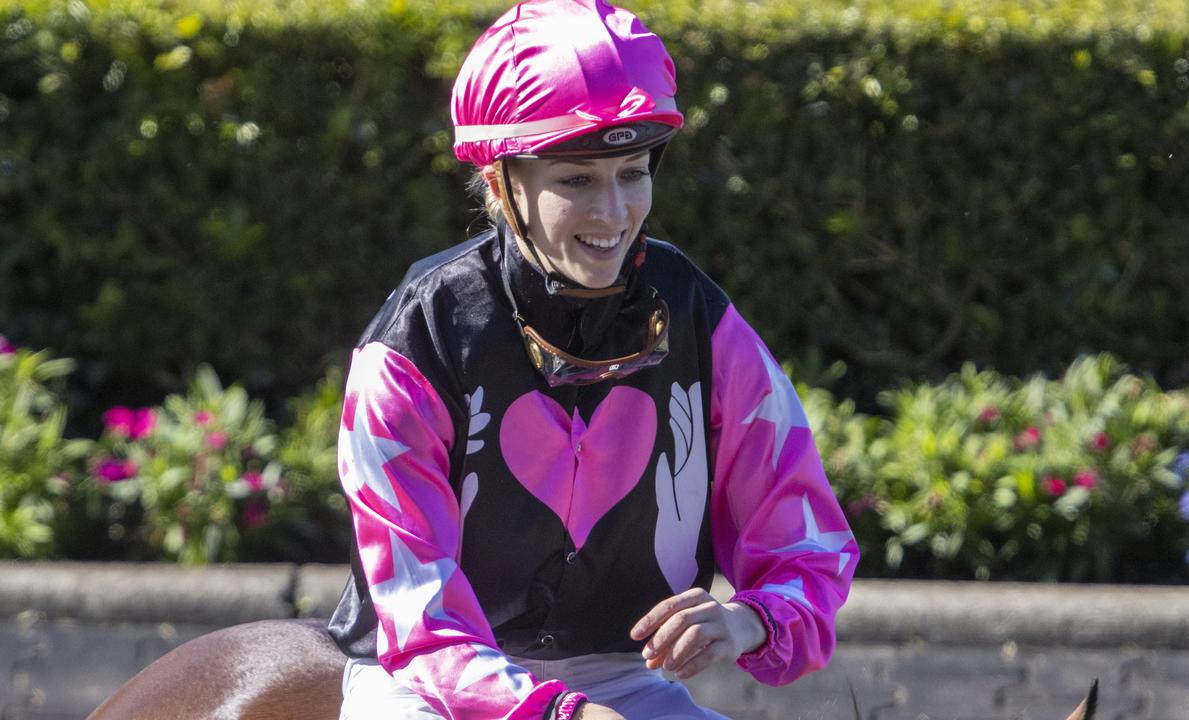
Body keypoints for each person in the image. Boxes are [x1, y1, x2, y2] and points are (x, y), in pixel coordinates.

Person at [327, 1, 859, 718]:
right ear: (501, 183)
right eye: (576, 180)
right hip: (427, 689)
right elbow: (421, 629)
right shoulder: (412, 345)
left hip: (625, 683)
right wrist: (555, 715)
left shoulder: (703, 320)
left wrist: (748, 620)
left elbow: (810, 545)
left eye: (632, 173)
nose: (612, 214)